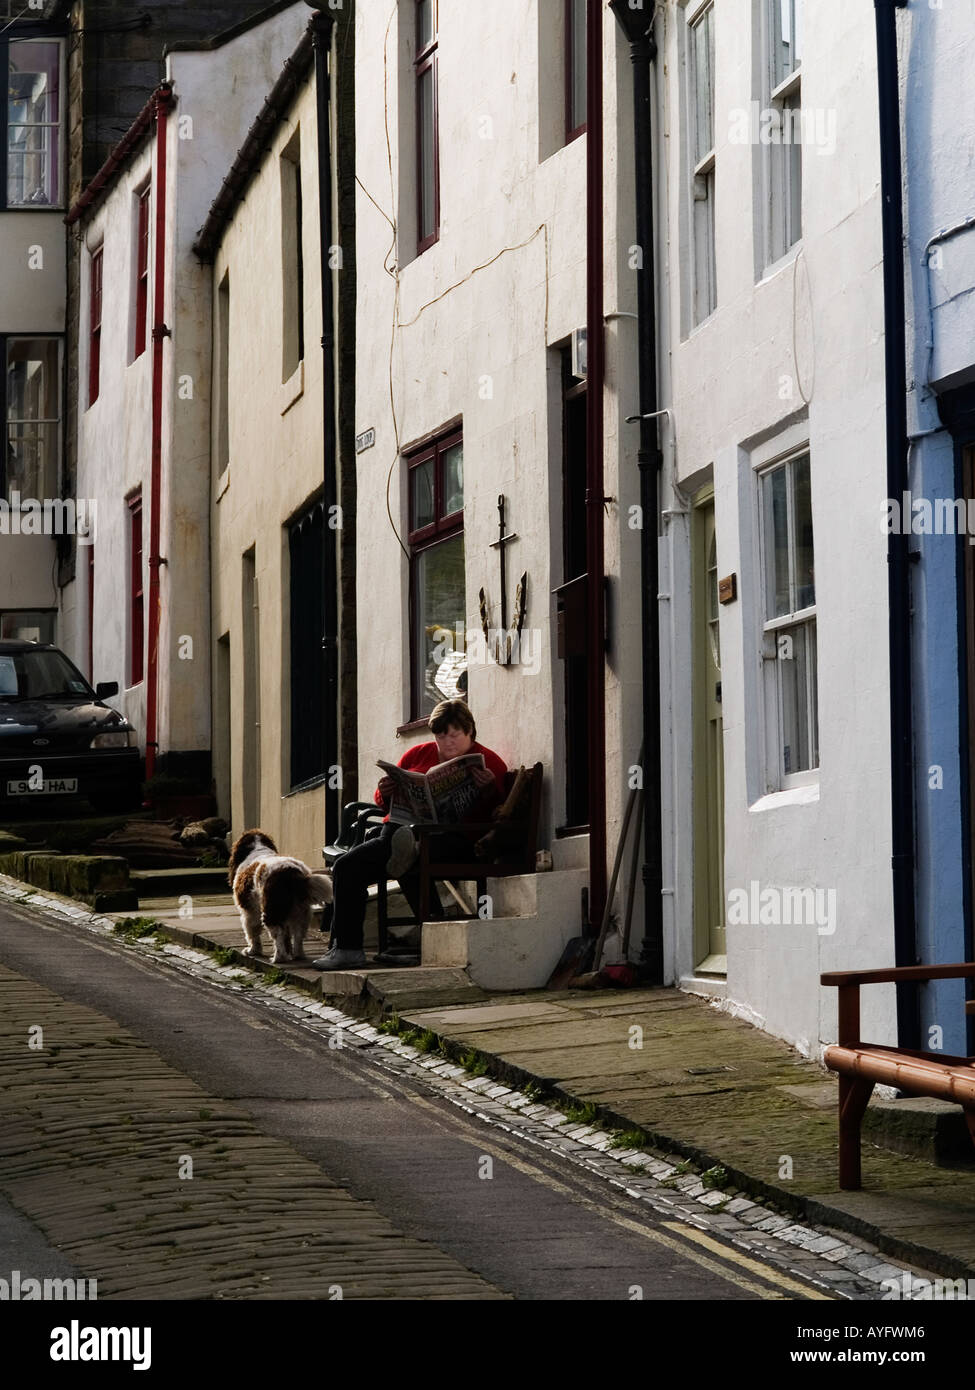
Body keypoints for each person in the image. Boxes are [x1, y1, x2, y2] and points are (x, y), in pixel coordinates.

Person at [312, 700, 507, 970]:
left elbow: (497, 814)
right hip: (398, 833)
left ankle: (410, 856)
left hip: (455, 840)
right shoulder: (417, 754)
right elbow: (382, 804)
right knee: (347, 866)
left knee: (409, 857)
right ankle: (347, 949)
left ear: (470, 731)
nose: (448, 743)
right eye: (441, 736)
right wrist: (385, 791)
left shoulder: (488, 762)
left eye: (455, 735)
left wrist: (488, 790)